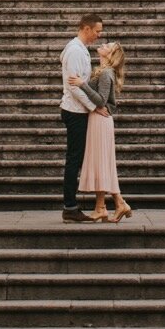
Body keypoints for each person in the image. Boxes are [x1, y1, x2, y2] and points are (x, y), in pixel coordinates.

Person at [79, 43, 131, 223]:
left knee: (101, 163)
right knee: (100, 164)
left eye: (107, 45)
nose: (103, 44)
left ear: (111, 54)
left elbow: (101, 100)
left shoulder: (106, 73)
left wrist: (81, 85)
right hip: (98, 120)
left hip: (100, 120)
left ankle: (107, 206)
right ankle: (110, 205)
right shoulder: (103, 71)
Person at [60, 13, 103, 222]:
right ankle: (69, 206)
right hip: (75, 111)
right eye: (97, 31)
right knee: (74, 158)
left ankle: (71, 204)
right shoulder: (75, 51)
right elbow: (73, 86)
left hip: (79, 110)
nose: (98, 35)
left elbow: (81, 83)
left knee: (76, 158)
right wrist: (93, 107)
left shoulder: (81, 50)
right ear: (86, 29)